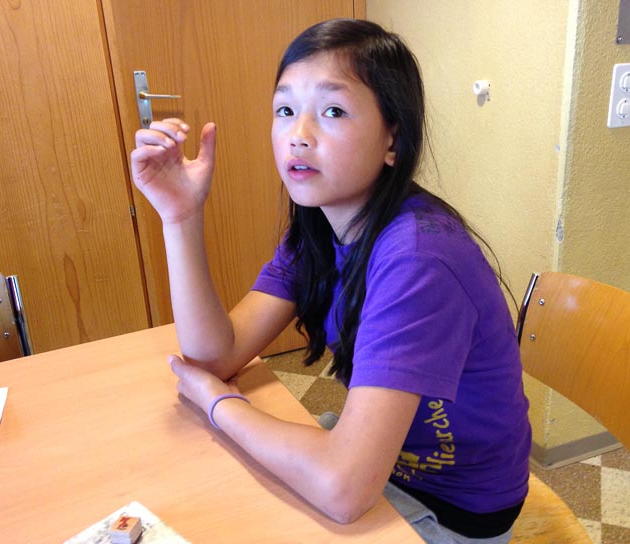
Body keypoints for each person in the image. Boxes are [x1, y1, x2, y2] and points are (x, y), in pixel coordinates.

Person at [130, 18, 531, 544]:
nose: (298, 135)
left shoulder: (418, 259)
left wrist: (219, 404)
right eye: (285, 110)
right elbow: (215, 357)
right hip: (379, 468)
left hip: (451, 510)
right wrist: (180, 217)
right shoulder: (320, 227)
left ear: (393, 139)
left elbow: (343, 488)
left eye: (333, 111)